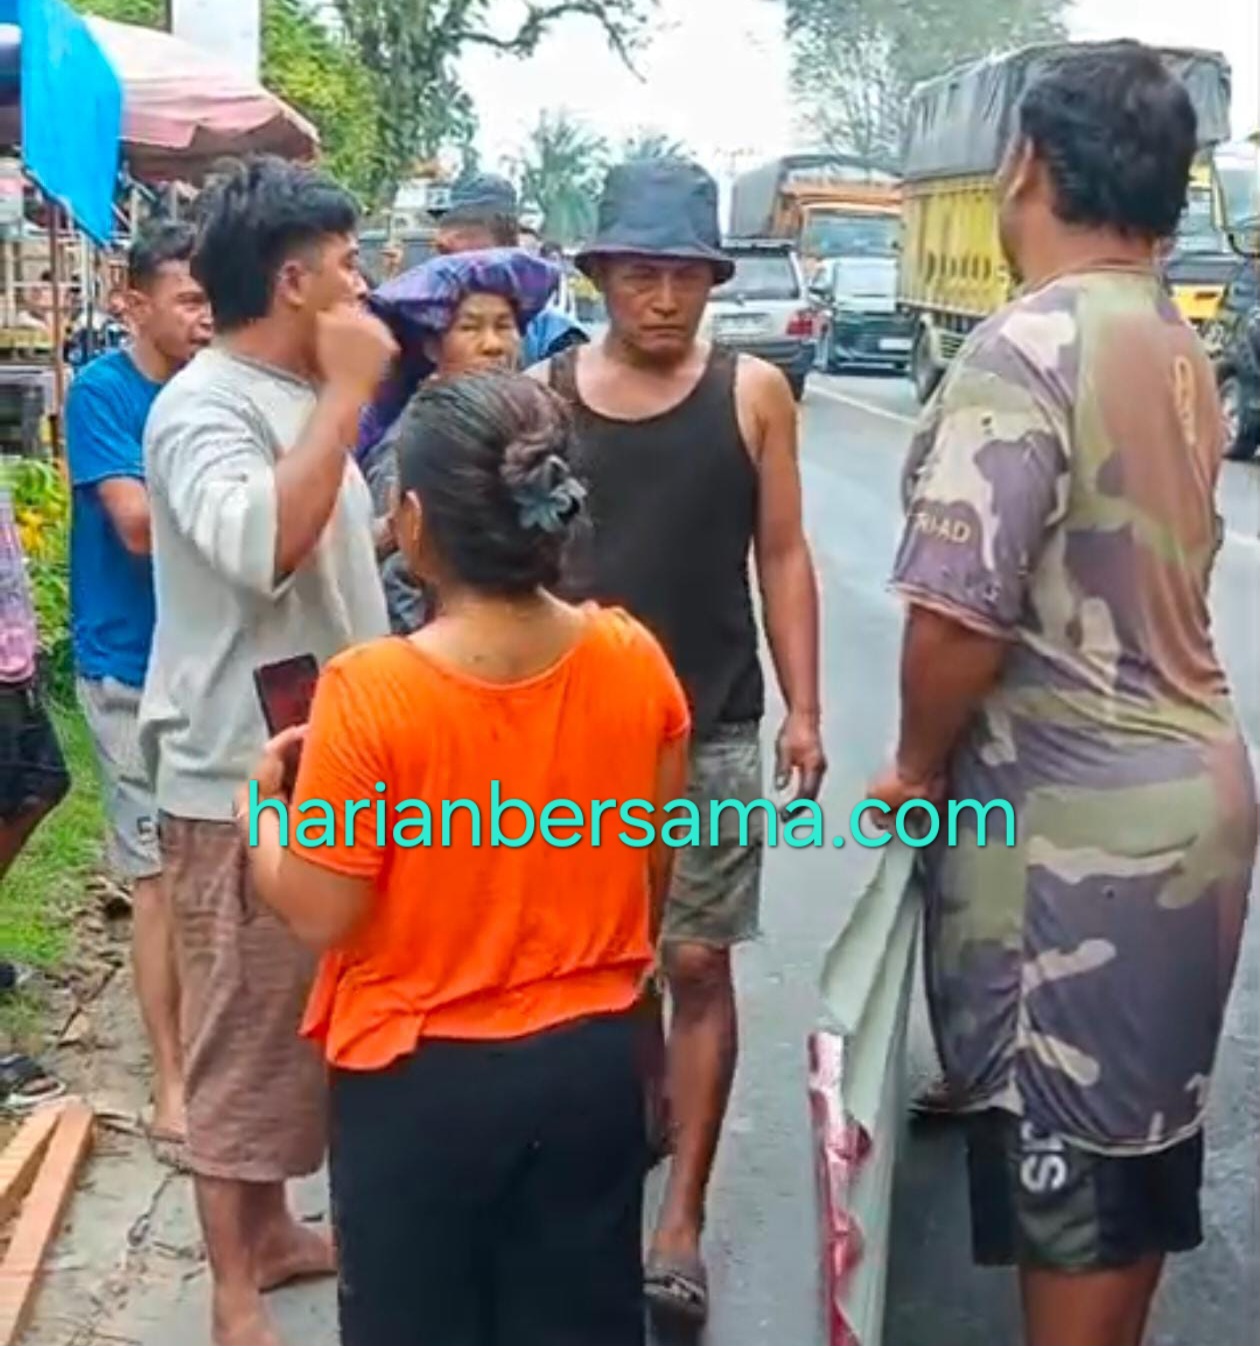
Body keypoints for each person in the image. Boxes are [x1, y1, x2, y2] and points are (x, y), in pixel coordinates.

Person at [867, 42, 1258, 1346]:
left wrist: (915, 772)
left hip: (1068, 843)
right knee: (1134, 1156)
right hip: (1189, 808)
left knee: (1069, 1179)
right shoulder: (1170, 340)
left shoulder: (1024, 343)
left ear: (1025, 163)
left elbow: (957, 609)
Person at [237, 371, 691, 1346]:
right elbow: (652, 879)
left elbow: (323, 909)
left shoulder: (371, 692)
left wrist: (261, 815)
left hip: (419, 1087)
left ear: (410, 520)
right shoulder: (633, 657)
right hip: (589, 1067)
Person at [533, 156, 827, 1323]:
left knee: (697, 961)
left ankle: (681, 1219)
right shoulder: (548, 392)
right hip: (571, 735)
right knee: (592, 970)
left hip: (711, 724)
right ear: (602, 276)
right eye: (640, 274)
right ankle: (608, 1157)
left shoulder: (753, 393)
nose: (663, 298)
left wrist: (806, 706)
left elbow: (785, 555)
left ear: (714, 281)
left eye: (684, 277)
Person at [137, 154, 397, 1346]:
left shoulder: (290, 396)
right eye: (346, 266)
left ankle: (282, 1229)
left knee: (303, 1015)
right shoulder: (203, 407)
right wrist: (350, 398)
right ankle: (234, 1297)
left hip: (324, 756)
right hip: (237, 773)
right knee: (242, 1035)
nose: (366, 284)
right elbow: (263, 549)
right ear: (294, 281)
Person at [65, 220, 212, 1156]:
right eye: (189, 300)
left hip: (211, 657)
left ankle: (217, 1060)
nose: (205, 318)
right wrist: (252, 513)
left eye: (211, 300)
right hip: (129, 666)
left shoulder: (215, 389)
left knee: (218, 875)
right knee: (156, 882)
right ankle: (170, 1083)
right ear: (134, 301)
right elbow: (137, 527)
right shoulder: (103, 394)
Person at [354, 247, 565, 633]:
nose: (493, 344)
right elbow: (399, 579)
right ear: (433, 346)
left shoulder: (529, 419)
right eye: (470, 328)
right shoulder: (414, 440)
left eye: (504, 326)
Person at [433, 172, 587, 365]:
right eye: (443, 226)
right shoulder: (421, 325)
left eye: (463, 228)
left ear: (504, 242)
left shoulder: (555, 336)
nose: (443, 240)